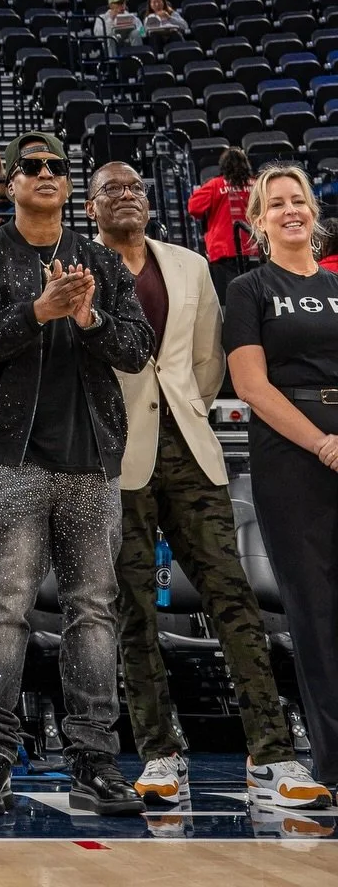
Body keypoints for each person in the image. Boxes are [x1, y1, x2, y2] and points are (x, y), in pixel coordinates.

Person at [88, 162, 329, 811]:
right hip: (113, 460)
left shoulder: (190, 265)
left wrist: (181, 408)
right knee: (133, 612)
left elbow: (205, 363)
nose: (127, 196)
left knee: (234, 599)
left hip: (190, 448)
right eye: (111, 188)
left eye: (136, 186)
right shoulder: (75, 270)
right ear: (90, 208)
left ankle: (273, 755)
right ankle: (161, 754)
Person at [0, 132, 152, 817]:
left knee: (93, 611)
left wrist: (87, 314)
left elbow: (134, 349)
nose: (45, 174)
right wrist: (38, 311)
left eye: (57, 167)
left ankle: (94, 759)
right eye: (31, 166)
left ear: (69, 184)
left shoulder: (99, 260)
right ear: (9, 182)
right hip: (13, 456)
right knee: (6, 607)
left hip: (91, 460)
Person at [223, 165, 338, 792]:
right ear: (258, 221)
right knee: (315, 610)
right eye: (276, 203)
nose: (290, 210)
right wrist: (322, 442)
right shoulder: (248, 290)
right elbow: (251, 387)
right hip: (293, 457)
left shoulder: (337, 284)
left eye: (299, 201)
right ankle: (335, 762)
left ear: (313, 213)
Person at [188, 148, 255, 304]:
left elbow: (194, 208)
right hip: (254, 248)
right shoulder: (256, 185)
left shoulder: (215, 185)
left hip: (224, 251)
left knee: (228, 300)